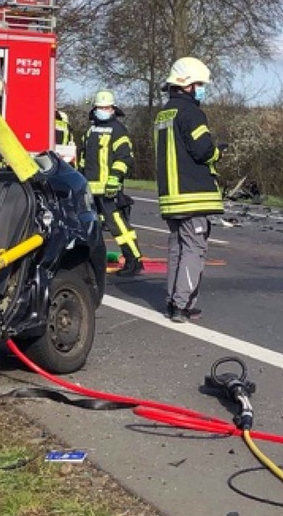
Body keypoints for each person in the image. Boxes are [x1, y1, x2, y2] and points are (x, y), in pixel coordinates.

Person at [154, 57, 223, 322]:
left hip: (171, 196)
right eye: (199, 84)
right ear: (188, 85)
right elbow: (203, 150)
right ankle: (181, 305)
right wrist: (218, 153)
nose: (202, 89)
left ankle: (175, 300)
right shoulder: (192, 113)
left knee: (177, 249)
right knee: (194, 250)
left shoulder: (164, 114)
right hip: (192, 195)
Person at [80, 90, 143, 277]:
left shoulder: (118, 130)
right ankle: (91, 262)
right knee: (91, 226)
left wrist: (115, 179)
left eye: (106, 107)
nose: (103, 111)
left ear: (113, 109)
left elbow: (125, 158)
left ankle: (134, 260)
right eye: (100, 108)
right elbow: (85, 159)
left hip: (109, 189)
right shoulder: (91, 130)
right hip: (91, 189)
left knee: (118, 227)